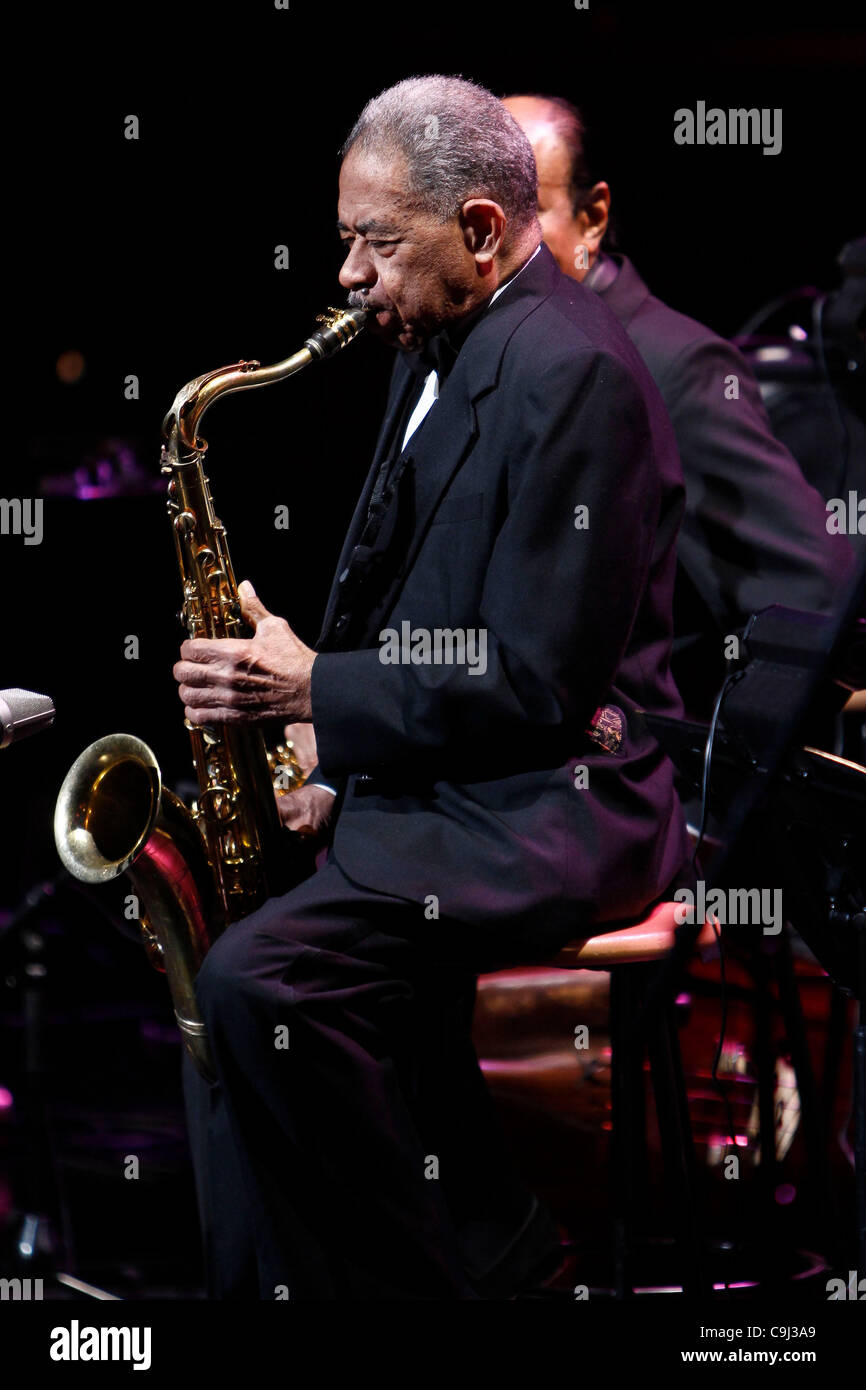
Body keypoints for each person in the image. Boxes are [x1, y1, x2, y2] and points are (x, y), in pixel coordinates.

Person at [174, 74, 690, 1300]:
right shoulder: (438, 335)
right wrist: (322, 748)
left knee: (262, 982)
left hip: (558, 797)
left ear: (474, 229)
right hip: (461, 770)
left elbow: (532, 675)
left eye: (373, 241)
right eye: (344, 239)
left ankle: (450, 1275)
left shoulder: (575, 377)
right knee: (226, 973)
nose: (348, 275)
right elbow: (411, 592)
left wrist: (314, 691)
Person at [502, 94, 853, 718]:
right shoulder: (466, 351)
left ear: (592, 217)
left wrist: (696, 763)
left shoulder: (672, 367)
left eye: (525, 211)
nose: (493, 246)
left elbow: (815, 599)